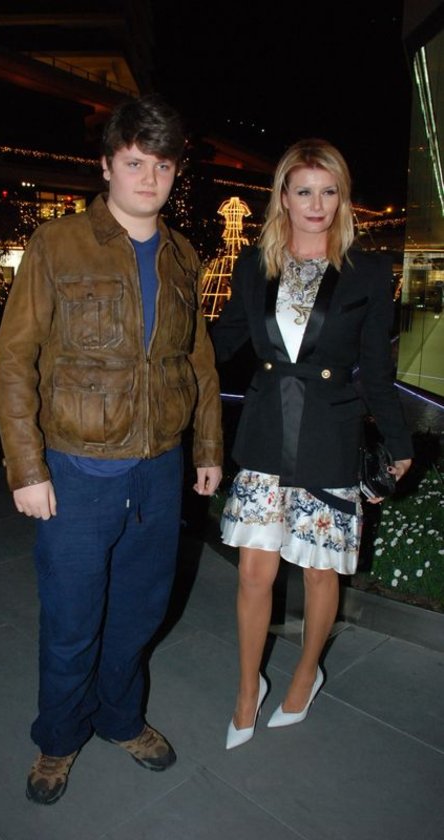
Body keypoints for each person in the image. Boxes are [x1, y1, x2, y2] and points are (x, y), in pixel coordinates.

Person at [0, 94, 223, 805]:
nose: (149, 179)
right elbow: (13, 359)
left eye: (163, 165)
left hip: (159, 470)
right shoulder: (57, 244)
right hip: (77, 469)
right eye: (134, 163)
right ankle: (59, 737)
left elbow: (197, 361)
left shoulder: (183, 254)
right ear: (106, 166)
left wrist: (207, 447)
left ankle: (121, 718)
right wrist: (26, 467)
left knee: (138, 614)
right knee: (72, 620)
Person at [210, 138, 413, 750]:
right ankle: (246, 687)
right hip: (267, 431)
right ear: (283, 197)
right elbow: (219, 343)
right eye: (304, 191)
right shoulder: (254, 265)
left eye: (329, 191)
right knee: (254, 572)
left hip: (329, 433)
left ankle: (305, 673)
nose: (317, 204)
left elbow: (376, 369)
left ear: (342, 197)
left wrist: (398, 440)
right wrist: (159, 364)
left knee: (320, 571)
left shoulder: (368, 270)